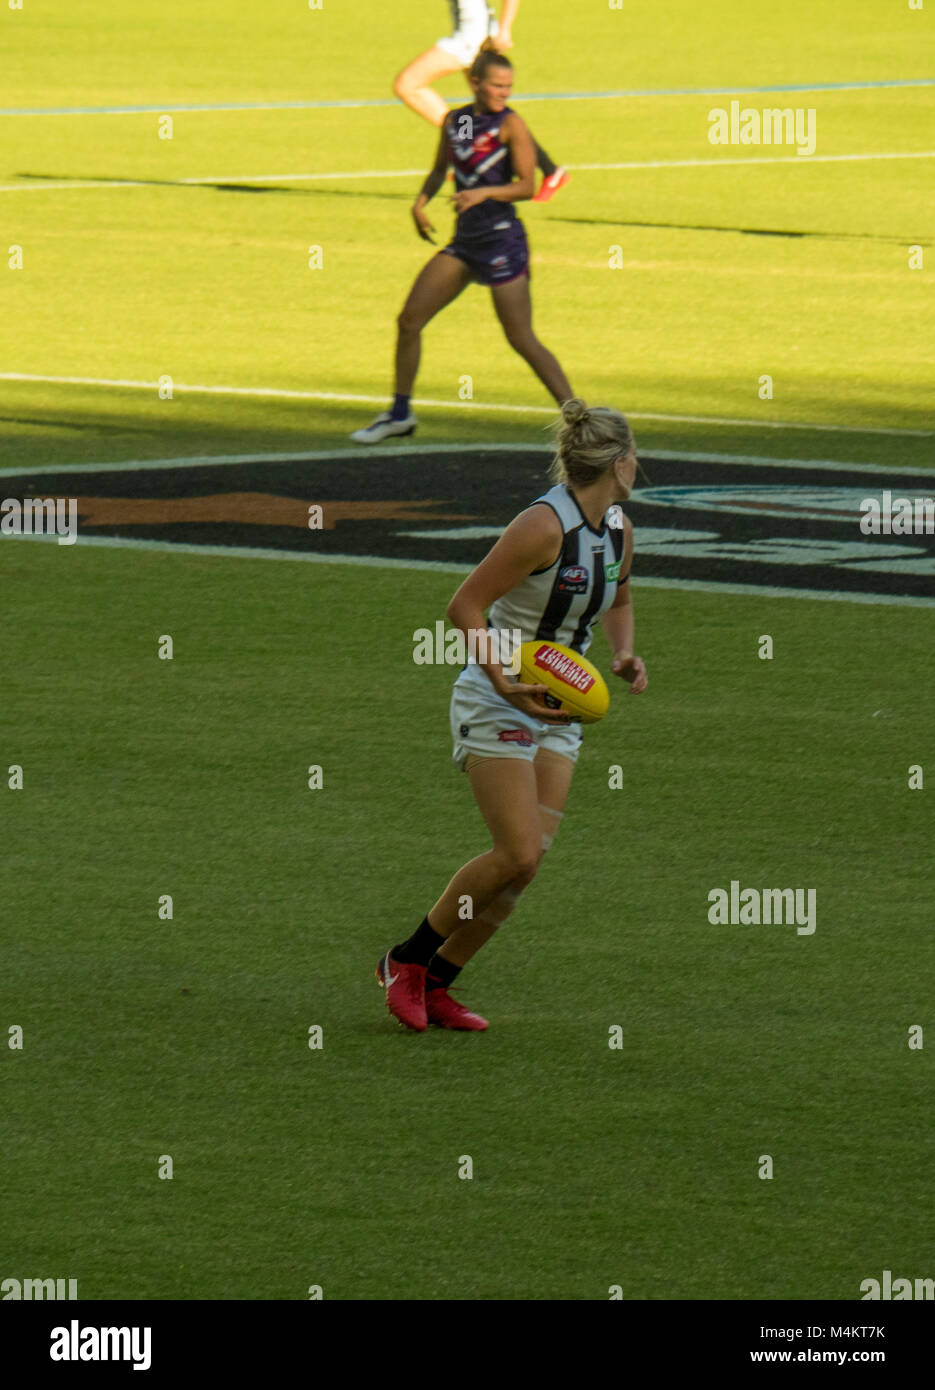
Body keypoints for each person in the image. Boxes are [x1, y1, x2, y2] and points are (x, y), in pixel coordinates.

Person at [375, 398, 649, 1030]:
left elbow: (621, 595)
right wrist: (503, 677)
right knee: (517, 852)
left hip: (558, 711)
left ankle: (439, 982)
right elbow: (464, 606)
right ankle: (405, 961)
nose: (640, 466)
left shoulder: (618, 528)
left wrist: (625, 652)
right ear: (620, 463)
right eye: (636, 457)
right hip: (495, 696)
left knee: (529, 866)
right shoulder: (543, 527)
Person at [351, 48, 573, 445]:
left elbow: (527, 185)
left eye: (509, 87)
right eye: (497, 86)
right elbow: (446, 167)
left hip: (502, 239)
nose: (504, 93)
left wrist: (483, 194)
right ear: (475, 83)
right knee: (409, 320)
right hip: (466, 243)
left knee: (521, 337)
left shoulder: (512, 126)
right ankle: (400, 412)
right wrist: (420, 202)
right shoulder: (462, 121)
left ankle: (578, 418)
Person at [393, 3, 569, 203]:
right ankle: (551, 171)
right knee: (491, 114)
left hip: (473, 39)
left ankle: (464, 150)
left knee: (407, 84)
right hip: (470, 34)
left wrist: (504, 29)